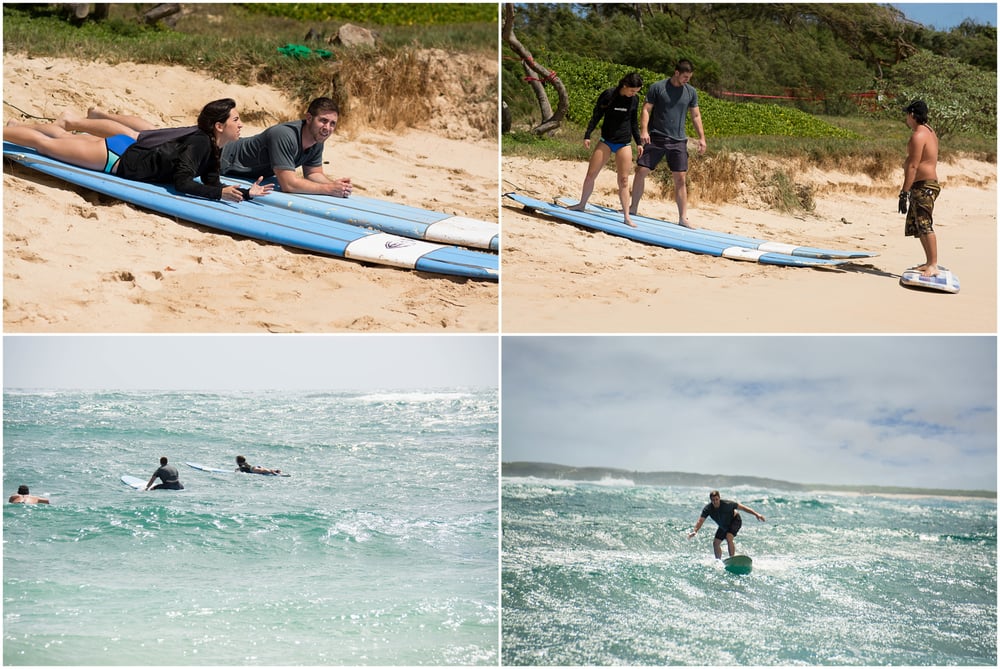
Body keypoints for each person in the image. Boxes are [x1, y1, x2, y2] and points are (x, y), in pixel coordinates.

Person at [4, 99, 272, 202]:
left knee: (61, 137)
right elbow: (182, 182)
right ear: (218, 126)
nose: (241, 125)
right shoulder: (201, 143)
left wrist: (247, 193)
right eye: (235, 120)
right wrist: (218, 194)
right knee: (46, 145)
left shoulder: (213, 148)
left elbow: (213, 182)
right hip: (114, 158)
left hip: (123, 149)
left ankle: (15, 126)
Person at [220, 97, 353, 197]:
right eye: (323, 120)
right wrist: (329, 189)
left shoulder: (317, 139)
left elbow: (314, 173)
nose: (327, 128)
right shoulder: (284, 135)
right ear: (309, 118)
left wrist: (337, 186)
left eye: (332, 124)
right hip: (221, 156)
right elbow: (288, 185)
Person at [629, 59, 707, 228]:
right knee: (641, 170)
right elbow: (646, 109)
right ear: (676, 72)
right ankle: (633, 208)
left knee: (680, 178)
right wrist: (644, 131)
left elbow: (695, 116)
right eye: (685, 76)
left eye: (689, 77)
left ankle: (683, 218)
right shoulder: (658, 87)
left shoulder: (691, 92)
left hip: (678, 140)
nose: (687, 80)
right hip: (656, 136)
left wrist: (702, 138)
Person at [566, 73, 644, 227]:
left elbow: (634, 121)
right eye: (632, 91)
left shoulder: (634, 100)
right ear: (625, 86)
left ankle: (627, 216)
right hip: (606, 141)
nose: (634, 94)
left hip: (624, 143)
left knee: (623, 180)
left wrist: (639, 142)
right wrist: (587, 134)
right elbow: (597, 114)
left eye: (636, 92)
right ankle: (581, 204)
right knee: (590, 175)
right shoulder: (609, 95)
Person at [898, 100, 941, 278]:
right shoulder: (928, 130)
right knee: (919, 224)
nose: (906, 118)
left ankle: (933, 264)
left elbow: (913, 166)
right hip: (925, 185)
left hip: (924, 185)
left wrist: (904, 192)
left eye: (907, 115)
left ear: (913, 115)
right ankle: (928, 262)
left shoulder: (918, 135)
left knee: (924, 224)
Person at [687, 490, 765, 559]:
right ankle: (718, 561)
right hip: (723, 525)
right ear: (711, 500)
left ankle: (732, 559)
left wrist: (756, 514)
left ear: (719, 498)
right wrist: (695, 531)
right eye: (713, 500)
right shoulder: (708, 509)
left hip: (734, 521)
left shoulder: (727, 504)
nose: (715, 502)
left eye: (717, 499)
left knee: (729, 537)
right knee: (716, 543)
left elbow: (743, 508)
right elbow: (700, 521)